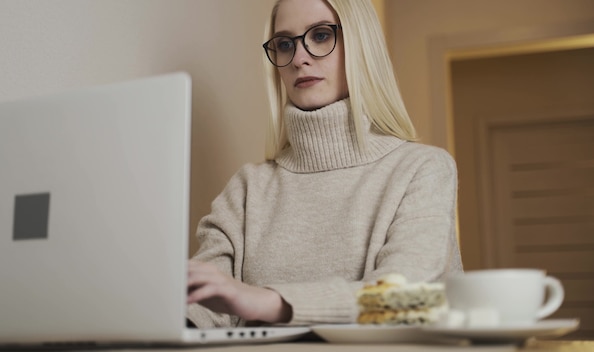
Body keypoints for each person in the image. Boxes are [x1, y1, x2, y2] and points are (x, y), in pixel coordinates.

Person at [186, 0, 463, 328]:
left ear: (361, 46)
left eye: (320, 35)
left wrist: (271, 302)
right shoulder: (248, 188)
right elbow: (202, 307)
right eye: (285, 44)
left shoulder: (423, 169)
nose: (299, 58)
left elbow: (406, 298)